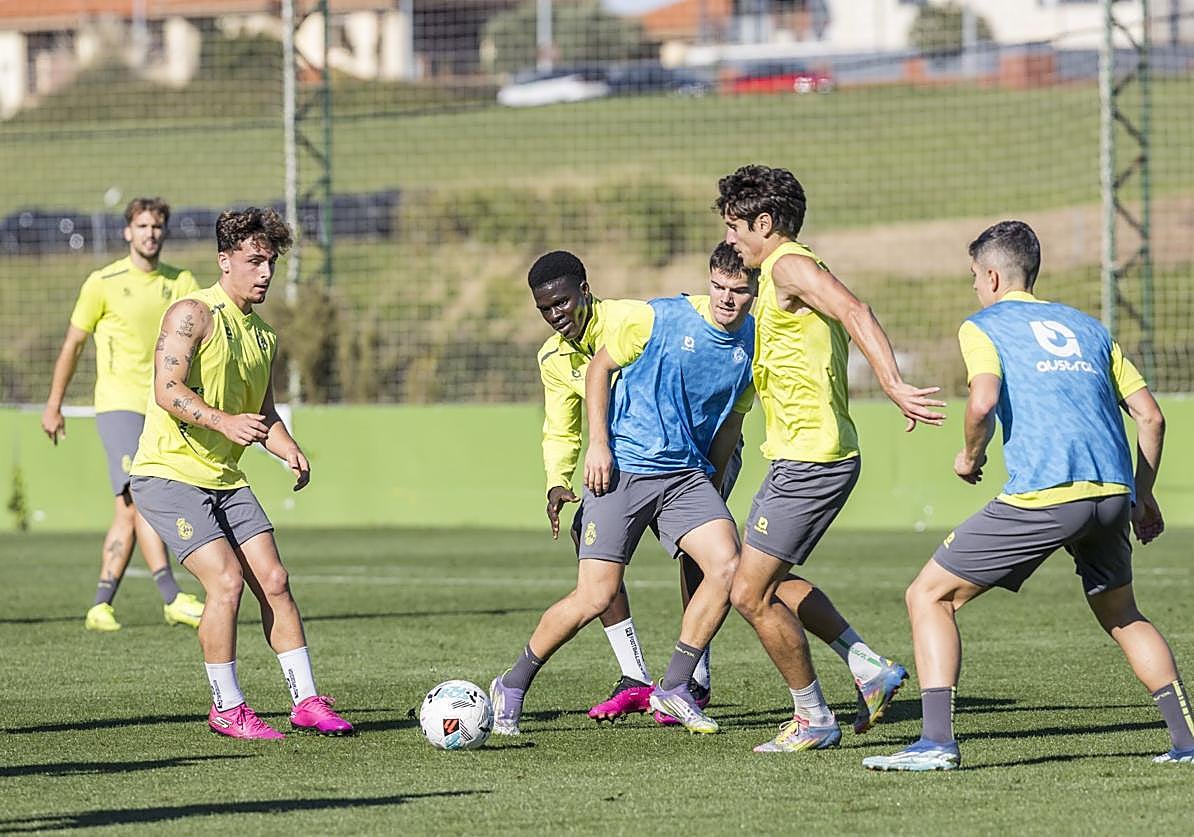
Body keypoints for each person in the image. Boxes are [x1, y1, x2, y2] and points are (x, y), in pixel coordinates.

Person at [863, 220, 1193, 771]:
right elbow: (1151, 417)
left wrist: (970, 456)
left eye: (974, 276)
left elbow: (982, 402)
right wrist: (1143, 494)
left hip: (1048, 494)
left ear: (992, 276)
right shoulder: (1089, 328)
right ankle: (1186, 741)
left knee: (928, 596)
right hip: (1113, 493)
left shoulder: (983, 326)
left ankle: (936, 742)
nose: (974, 286)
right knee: (1122, 612)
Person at [716, 164, 946, 753]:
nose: (729, 238)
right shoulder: (779, 271)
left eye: (735, 226)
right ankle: (867, 667)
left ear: (764, 223)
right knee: (759, 579)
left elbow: (856, 311)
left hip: (811, 460)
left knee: (748, 594)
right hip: (797, 456)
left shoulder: (788, 265)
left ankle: (813, 718)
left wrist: (893, 385)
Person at [491, 245, 757, 735]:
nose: (555, 315)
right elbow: (562, 424)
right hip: (621, 472)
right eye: (545, 308)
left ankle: (679, 684)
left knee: (725, 565)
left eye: (562, 302)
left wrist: (713, 473)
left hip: (682, 467)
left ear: (584, 291)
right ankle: (512, 682)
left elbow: (699, 314)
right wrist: (559, 478)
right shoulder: (553, 358)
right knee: (595, 595)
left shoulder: (637, 318)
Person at [129, 207, 352, 740]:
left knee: (274, 580)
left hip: (224, 478)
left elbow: (263, 414)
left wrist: (286, 447)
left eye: (270, 262)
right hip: (168, 474)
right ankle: (227, 708)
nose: (265, 273)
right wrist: (223, 421)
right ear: (224, 261)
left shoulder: (264, 337)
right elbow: (167, 390)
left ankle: (306, 701)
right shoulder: (192, 314)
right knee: (226, 582)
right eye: (254, 261)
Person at [41, 197, 205, 633]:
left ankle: (101, 604)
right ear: (127, 232)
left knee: (130, 509)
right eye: (143, 226)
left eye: (157, 226)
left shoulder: (182, 282)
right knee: (138, 498)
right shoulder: (103, 282)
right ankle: (172, 597)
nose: (151, 233)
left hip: (165, 407)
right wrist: (54, 403)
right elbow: (73, 344)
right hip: (119, 405)